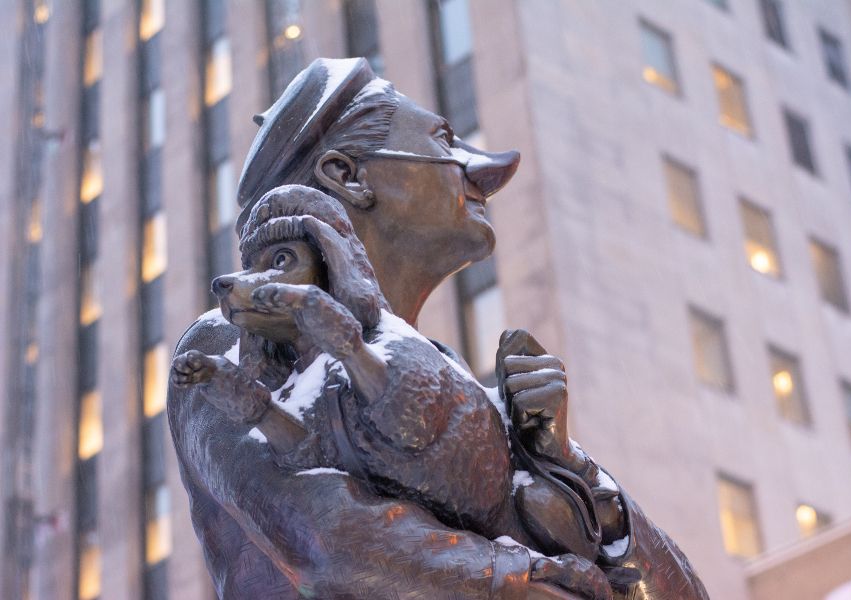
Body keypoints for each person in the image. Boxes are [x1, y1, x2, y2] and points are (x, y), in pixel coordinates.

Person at [168, 57, 708, 599]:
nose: (485, 173)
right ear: (346, 176)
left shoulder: (470, 394)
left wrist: (566, 468)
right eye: (445, 142)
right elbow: (332, 544)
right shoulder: (235, 341)